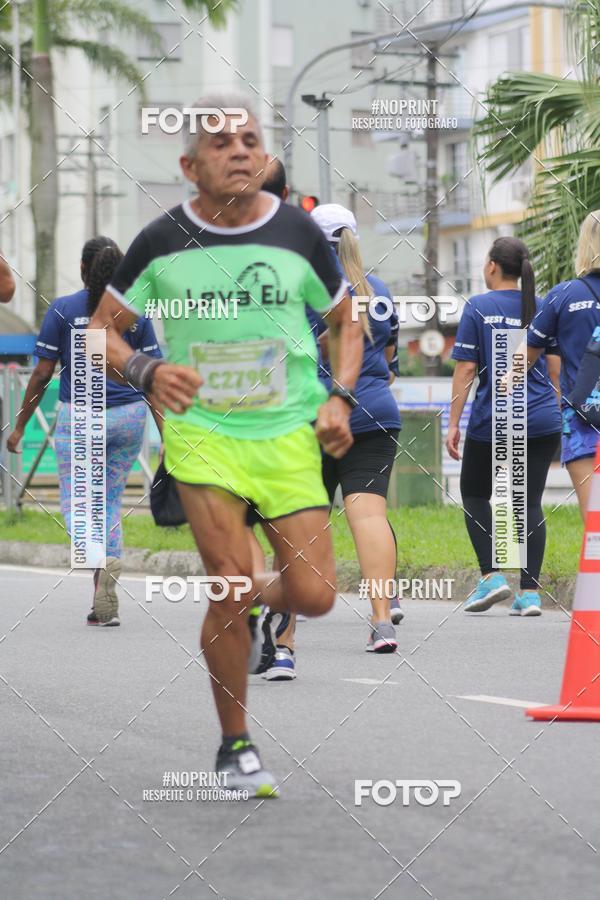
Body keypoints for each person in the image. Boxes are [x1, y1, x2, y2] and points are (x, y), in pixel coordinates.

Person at [89, 92, 363, 797]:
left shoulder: (299, 235)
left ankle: (234, 592)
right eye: (221, 143)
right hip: (202, 436)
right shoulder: (160, 240)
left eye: (249, 139)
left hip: (287, 434)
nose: (239, 150)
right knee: (230, 585)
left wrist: (339, 395)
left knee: (317, 594)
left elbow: (344, 319)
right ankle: (236, 743)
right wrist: (146, 367)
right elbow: (100, 332)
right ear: (190, 165)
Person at [7, 237, 162, 625]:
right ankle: (101, 599)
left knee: (79, 504)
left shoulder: (63, 309)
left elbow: (42, 373)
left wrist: (20, 425)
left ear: (81, 268)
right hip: (128, 418)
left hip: (82, 419)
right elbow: (152, 379)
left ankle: (98, 559)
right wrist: (169, 435)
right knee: (108, 502)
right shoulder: (137, 313)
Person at [447, 236, 562, 615]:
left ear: (492, 266)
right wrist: (556, 410)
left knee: (475, 492)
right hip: (542, 417)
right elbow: (556, 368)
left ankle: (491, 577)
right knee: (527, 501)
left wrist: (454, 423)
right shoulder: (543, 305)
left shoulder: (479, 307)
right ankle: (529, 594)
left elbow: (465, 368)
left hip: (496, 419)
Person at [311, 203, 402, 651]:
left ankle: (285, 631)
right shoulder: (380, 290)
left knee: (305, 519)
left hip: (317, 417)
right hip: (377, 413)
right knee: (369, 515)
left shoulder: (306, 291)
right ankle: (382, 620)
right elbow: (388, 366)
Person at [527, 210, 600, 519]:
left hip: (583, 417)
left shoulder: (563, 295)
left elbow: (524, 357)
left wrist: (500, 383)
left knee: (595, 516)